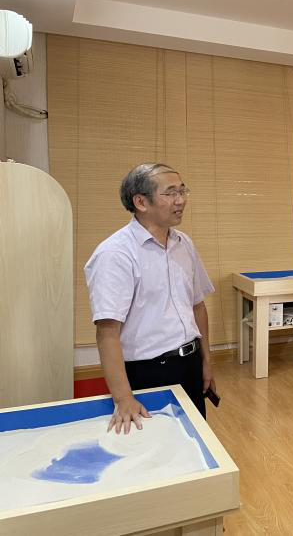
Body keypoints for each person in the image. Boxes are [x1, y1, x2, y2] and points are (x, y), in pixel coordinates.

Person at [85, 163, 216, 434]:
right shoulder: (115, 254)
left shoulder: (184, 243)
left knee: (194, 440)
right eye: (171, 193)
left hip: (190, 362)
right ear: (141, 202)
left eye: (182, 191)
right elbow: (107, 331)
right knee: (159, 446)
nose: (181, 200)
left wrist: (206, 362)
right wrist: (123, 398)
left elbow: (197, 306)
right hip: (148, 371)